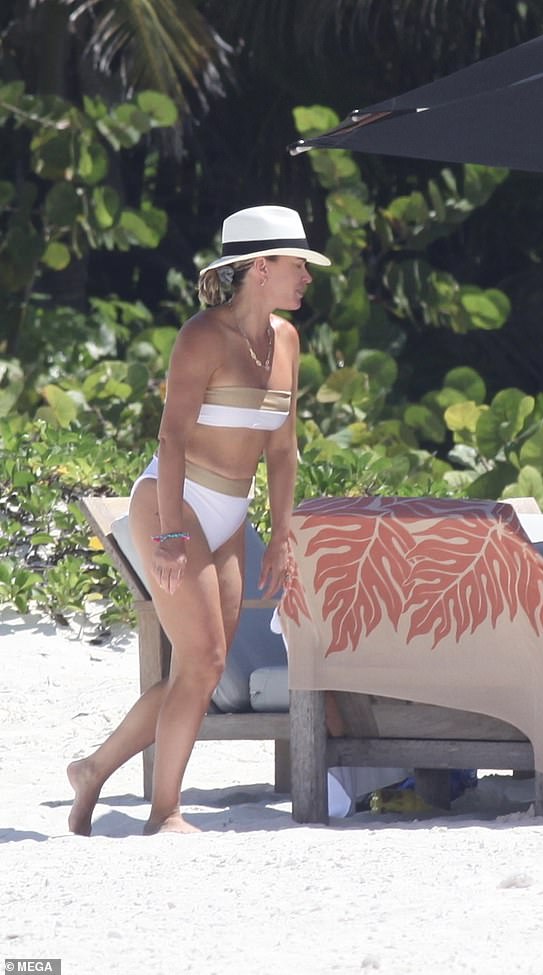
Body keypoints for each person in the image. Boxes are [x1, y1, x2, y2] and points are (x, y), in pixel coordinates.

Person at [68, 205, 329, 834]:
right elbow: (172, 438)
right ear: (261, 269)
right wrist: (169, 534)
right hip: (173, 499)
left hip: (231, 512)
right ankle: (165, 813)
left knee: (201, 665)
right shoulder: (202, 337)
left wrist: (286, 535)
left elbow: (283, 450)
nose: (308, 278)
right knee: (206, 657)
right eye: (298, 265)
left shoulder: (286, 341)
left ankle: (94, 770)